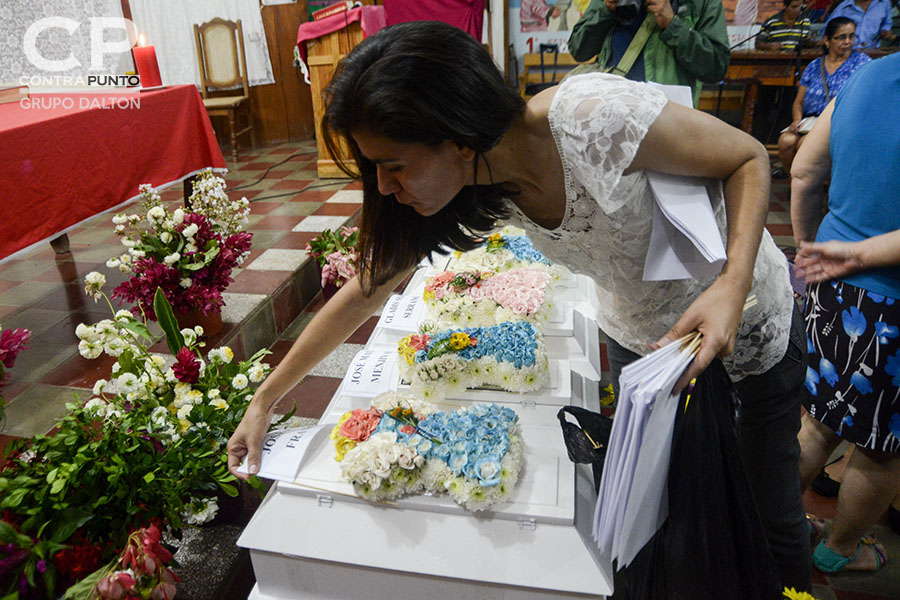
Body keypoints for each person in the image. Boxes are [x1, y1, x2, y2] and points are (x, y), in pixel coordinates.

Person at [227, 21, 809, 592]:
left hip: (744, 312)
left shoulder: (590, 118)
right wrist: (263, 399)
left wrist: (730, 288)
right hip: (645, 342)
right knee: (668, 507)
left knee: (766, 504)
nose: (382, 187)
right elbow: (370, 287)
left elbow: (746, 158)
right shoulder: (481, 185)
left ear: (457, 136)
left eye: (394, 165)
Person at [791, 52, 900, 573]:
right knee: (881, 449)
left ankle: (776, 523)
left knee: (815, 425)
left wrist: (813, 246)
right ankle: (839, 552)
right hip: (893, 301)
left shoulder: (870, 74)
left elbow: (804, 172)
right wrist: (862, 255)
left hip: (832, 286)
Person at [567, 0, 729, 105]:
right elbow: (579, 50)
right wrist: (605, 10)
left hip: (669, 122)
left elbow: (716, 67)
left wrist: (672, 25)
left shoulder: (702, 3)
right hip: (613, 113)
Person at [776, 17, 869, 173]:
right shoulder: (814, 66)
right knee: (786, 141)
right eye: (841, 37)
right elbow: (799, 102)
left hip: (839, 122)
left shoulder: (861, 63)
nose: (847, 42)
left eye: (851, 36)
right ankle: (795, 182)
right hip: (811, 121)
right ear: (827, 40)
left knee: (804, 144)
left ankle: (810, 187)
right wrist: (797, 121)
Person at [826, 0, 896, 48]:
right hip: (846, 53)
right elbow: (827, 29)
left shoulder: (884, 3)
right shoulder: (845, 6)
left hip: (872, 53)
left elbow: (886, 24)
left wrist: (885, 31)